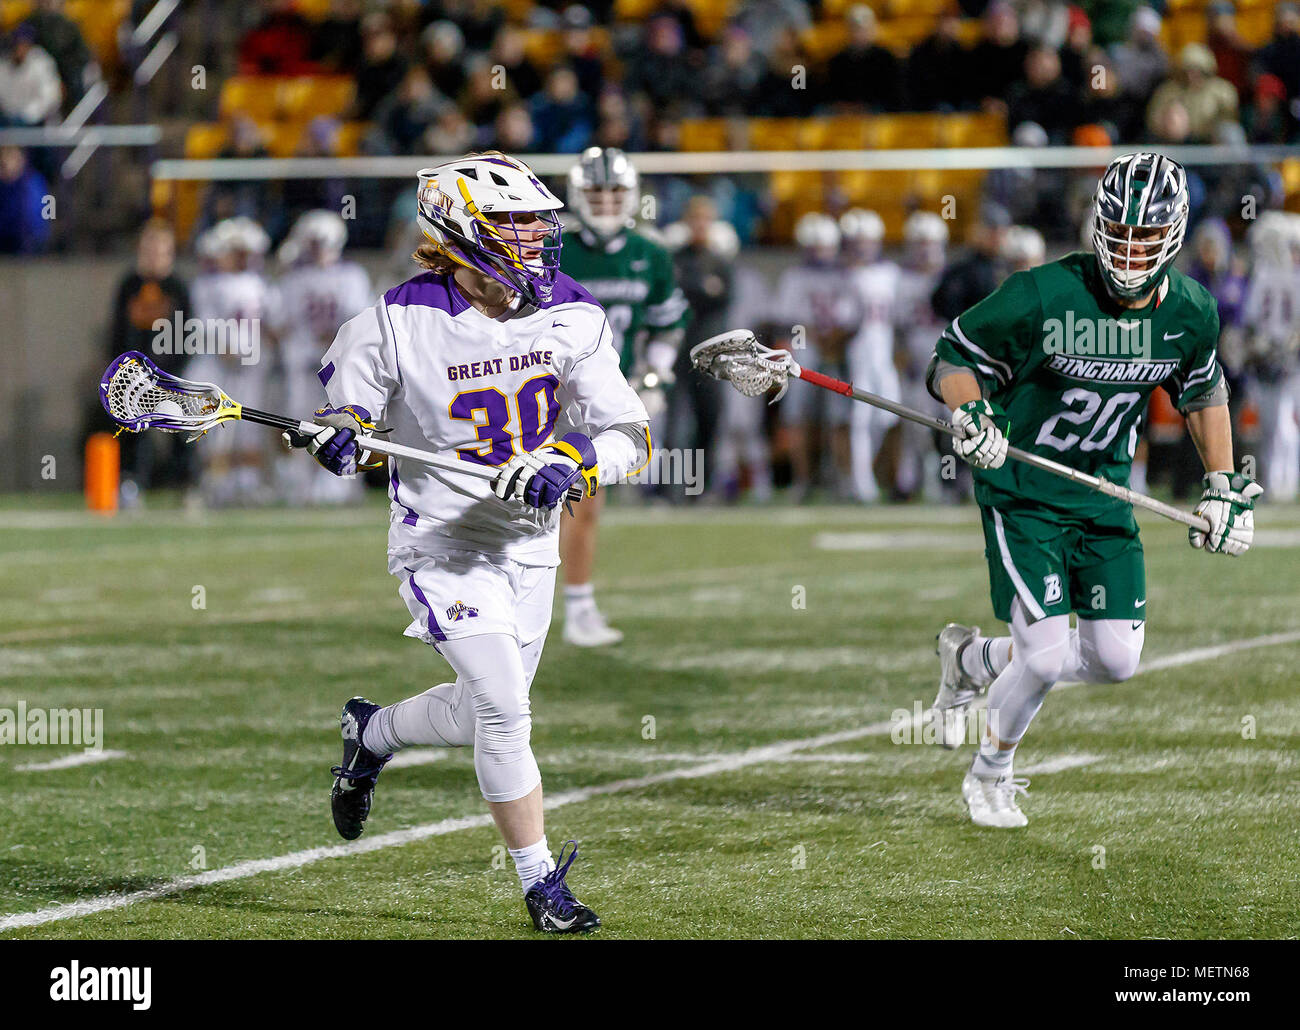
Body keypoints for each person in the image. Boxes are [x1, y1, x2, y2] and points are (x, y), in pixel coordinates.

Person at [310, 152, 651, 932]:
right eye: (515, 223)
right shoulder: (394, 323)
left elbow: (633, 436)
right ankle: (540, 886)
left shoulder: (573, 313)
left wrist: (573, 461)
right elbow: (349, 423)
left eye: (538, 222)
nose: (535, 238)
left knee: (481, 710)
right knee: (503, 705)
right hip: (441, 544)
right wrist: (341, 437)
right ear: (461, 228)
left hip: (528, 544)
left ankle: (372, 731)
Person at [925, 153, 1260, 826]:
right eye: (1119, 231)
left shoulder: (1190, 311)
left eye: (1144, 237)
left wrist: (1222, 483)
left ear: (1172, 235)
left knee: (1114, 660)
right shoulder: (1044, 293)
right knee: (1046, 657)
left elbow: (1203, 392)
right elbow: (951, 360)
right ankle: (990, 773)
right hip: (1024, 488)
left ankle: (971, 659)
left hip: (1104, 495)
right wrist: (971, 414)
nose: (1129, 251)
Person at [557, 147, 687, 645]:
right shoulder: (554, 246)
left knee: (585, 502)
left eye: (615, 192)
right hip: (546, 392)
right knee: (529, 504)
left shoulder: (650, 253)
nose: (607, 201)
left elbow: (666, 324)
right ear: (577, 195)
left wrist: (655, 374)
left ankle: (578, 606)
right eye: (596, 192)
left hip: (609, 396)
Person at [270, 210, 372, 505]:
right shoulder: (349, 275)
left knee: (339, 422)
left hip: (330, 362)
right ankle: (307, 486)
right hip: (316, 362)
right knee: (307, 423)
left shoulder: (302, 278)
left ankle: (340, 484)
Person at [840, 208, 900, 502]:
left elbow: (900, 318)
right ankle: (861, 482)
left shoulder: (891, 273)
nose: (863, 247)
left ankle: (868, 476)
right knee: (861, 416)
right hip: (858, 351)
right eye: (857, 241)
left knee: (887, 416)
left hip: (884, 351)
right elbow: (842, 322)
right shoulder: (846, 275)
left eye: (867, 240)